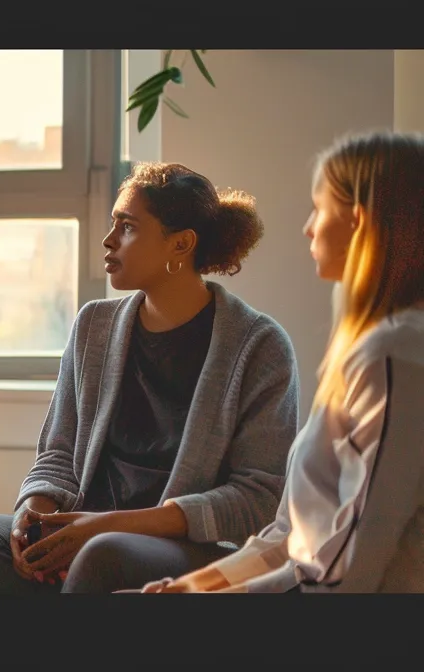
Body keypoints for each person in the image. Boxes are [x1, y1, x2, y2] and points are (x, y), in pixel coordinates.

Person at [0, 162, 301, 593]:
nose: (108, 240)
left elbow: (258, 499)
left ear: (181, 244)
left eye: (127, 227)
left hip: (183, 547)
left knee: (103, 553)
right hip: (89, 533)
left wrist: (107, 526)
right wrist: (32, 516)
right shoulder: (95, 325)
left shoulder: (259, 346)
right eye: (113, 223)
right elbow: (57, 454)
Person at [143, 131, 424, 593]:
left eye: (319, 208)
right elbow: (292, 538)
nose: (308, 227)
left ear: (359, 221)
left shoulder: (395, 357)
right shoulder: (370, 350)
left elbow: (348, 570)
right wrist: (192, 588)